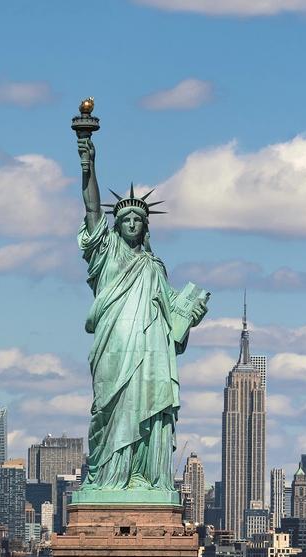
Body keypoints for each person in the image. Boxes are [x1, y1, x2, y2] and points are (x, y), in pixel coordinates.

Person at [75, 135, 207, 491]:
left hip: (151, 351)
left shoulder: (154, 266)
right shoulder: (106, 252)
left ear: (145, 227)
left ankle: (142, 475)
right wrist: (88, 164)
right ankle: (109, 477)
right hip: (115, 344)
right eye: (126, 219)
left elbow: (171, 314)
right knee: (112, 408)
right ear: (116, 225)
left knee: (147, 407)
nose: (132, 223)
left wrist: (190, 315)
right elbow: (91, 210)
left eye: (138, 219)